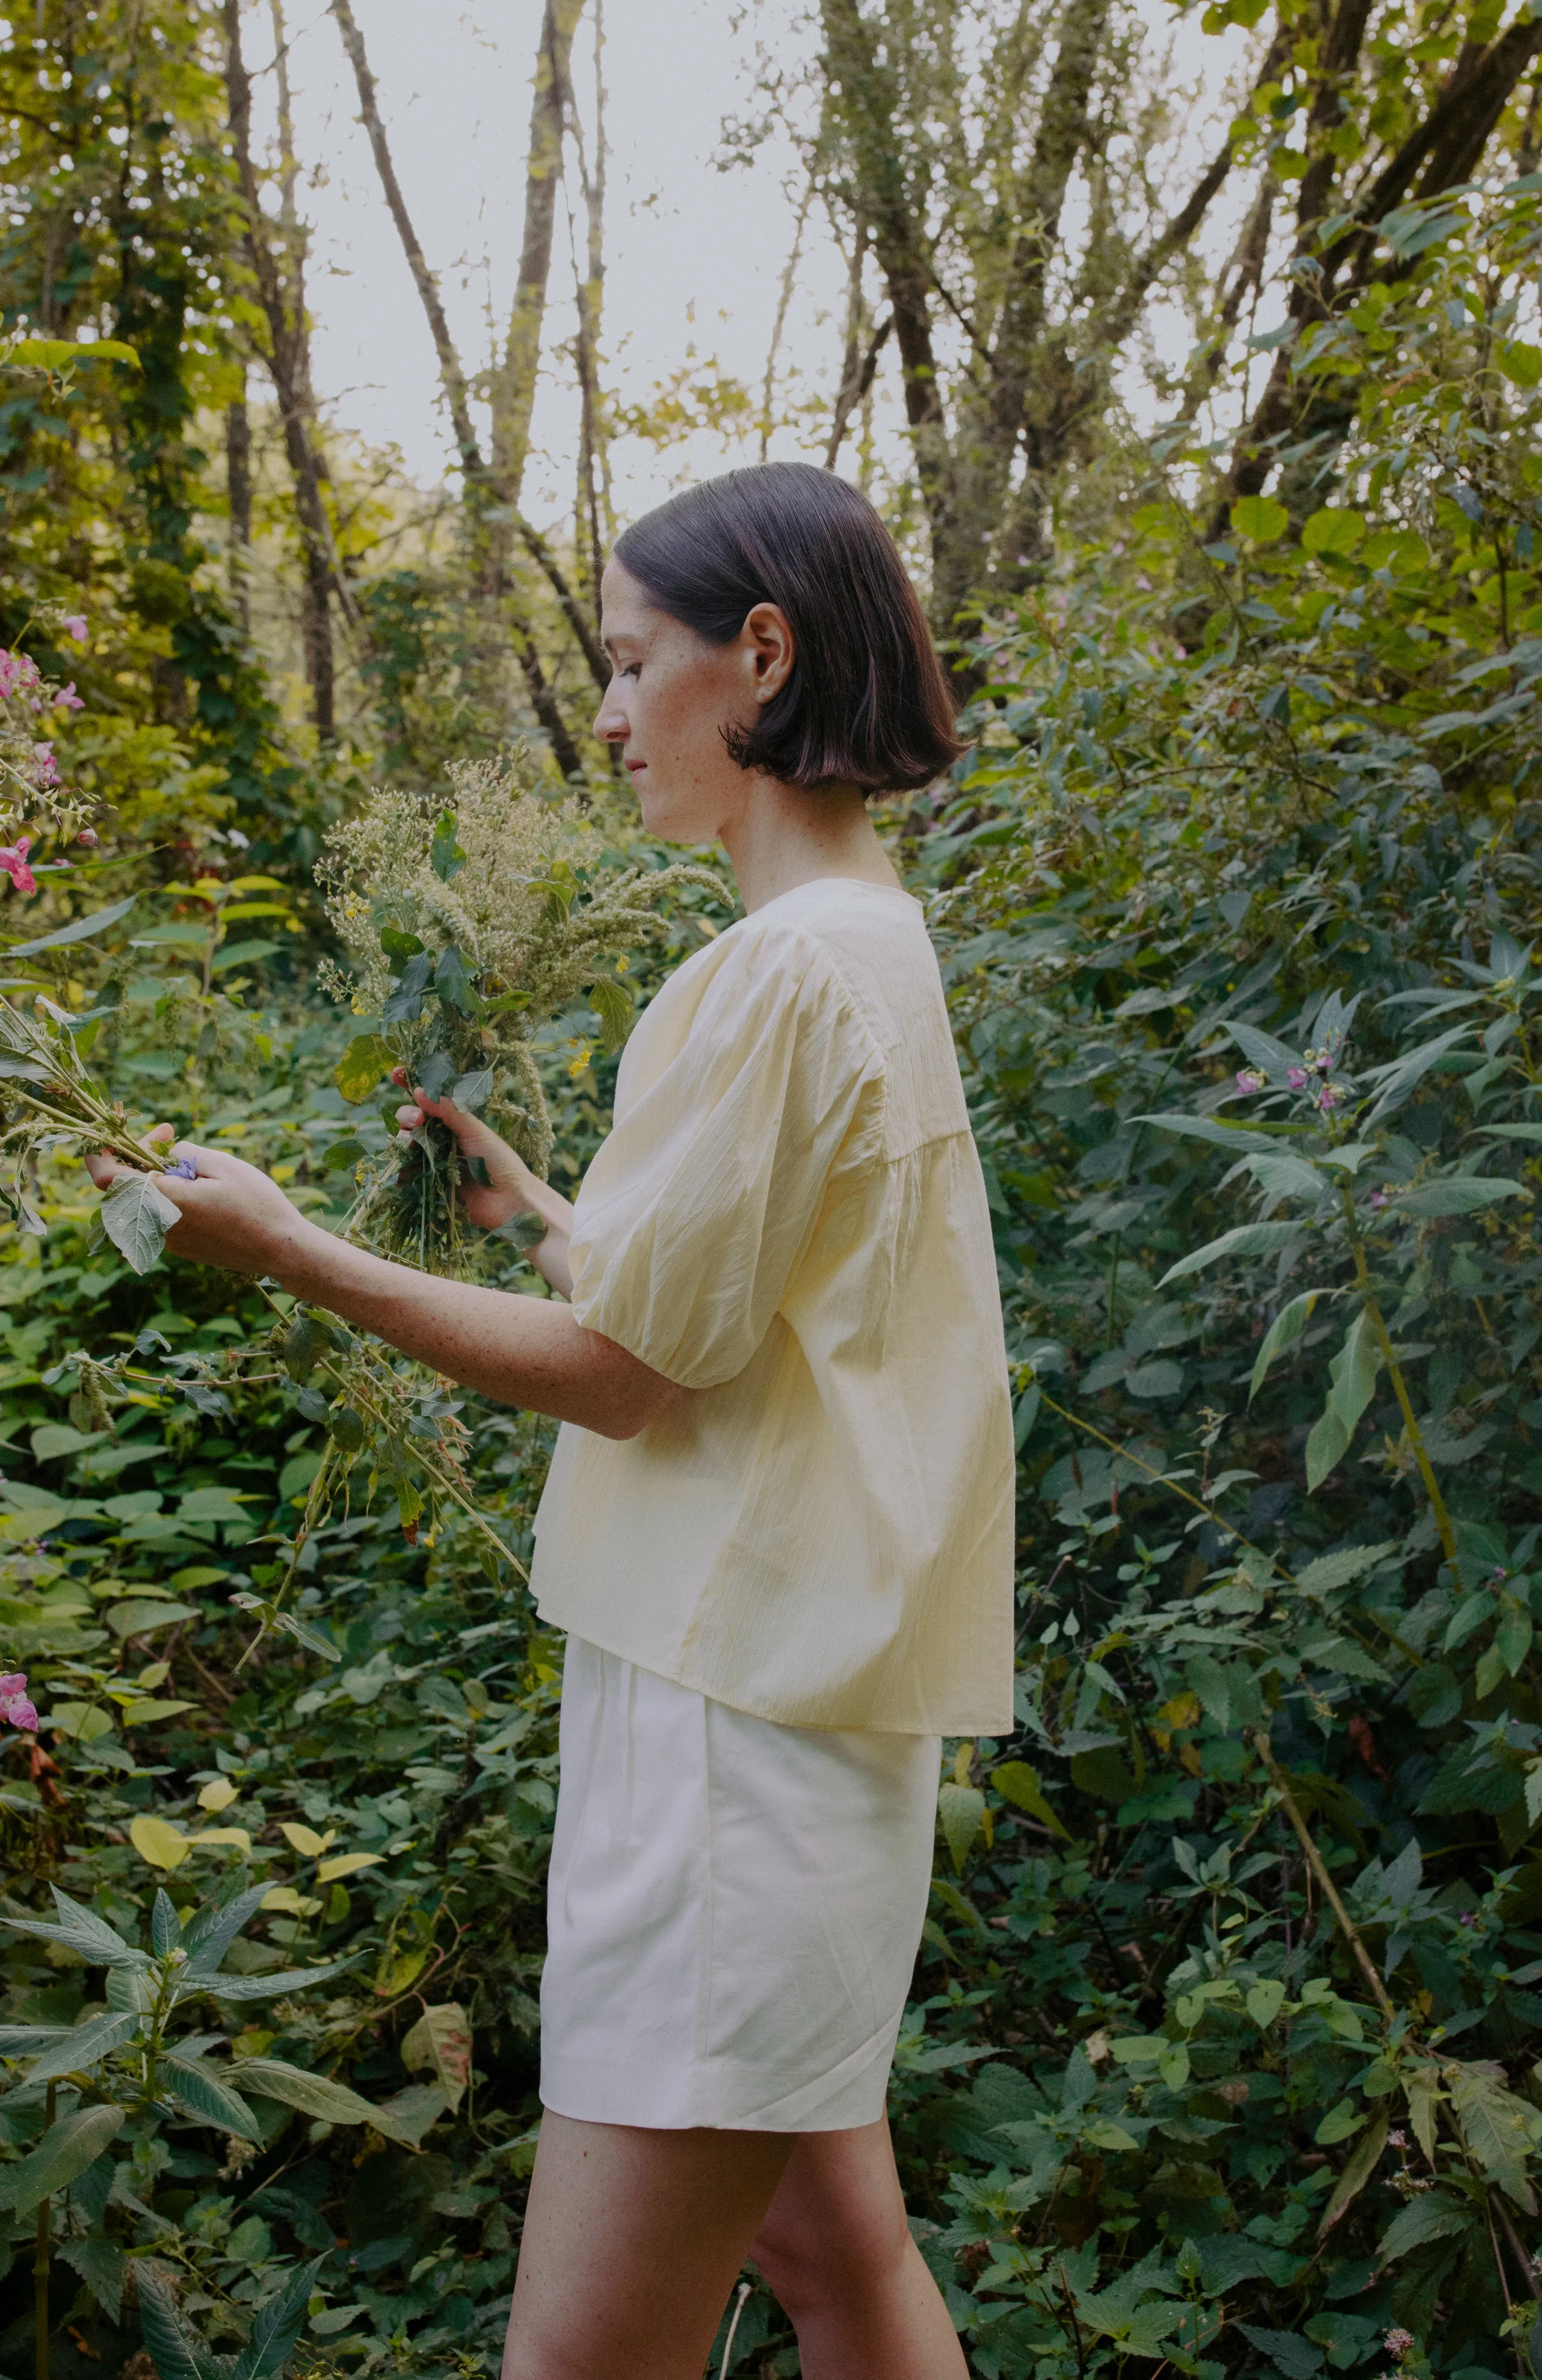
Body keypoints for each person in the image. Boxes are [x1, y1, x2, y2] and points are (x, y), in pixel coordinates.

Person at [90, 462, 1014, 2380]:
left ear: (758, 655)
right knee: (835, 2259)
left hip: (728, 1751)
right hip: (790, 1728)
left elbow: (631, 1379)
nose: (603, 716)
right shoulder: (871, 938)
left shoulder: (779, 971)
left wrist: (290, 1248)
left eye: (626, 661)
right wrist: (564, 1226)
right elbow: (767, 1318)